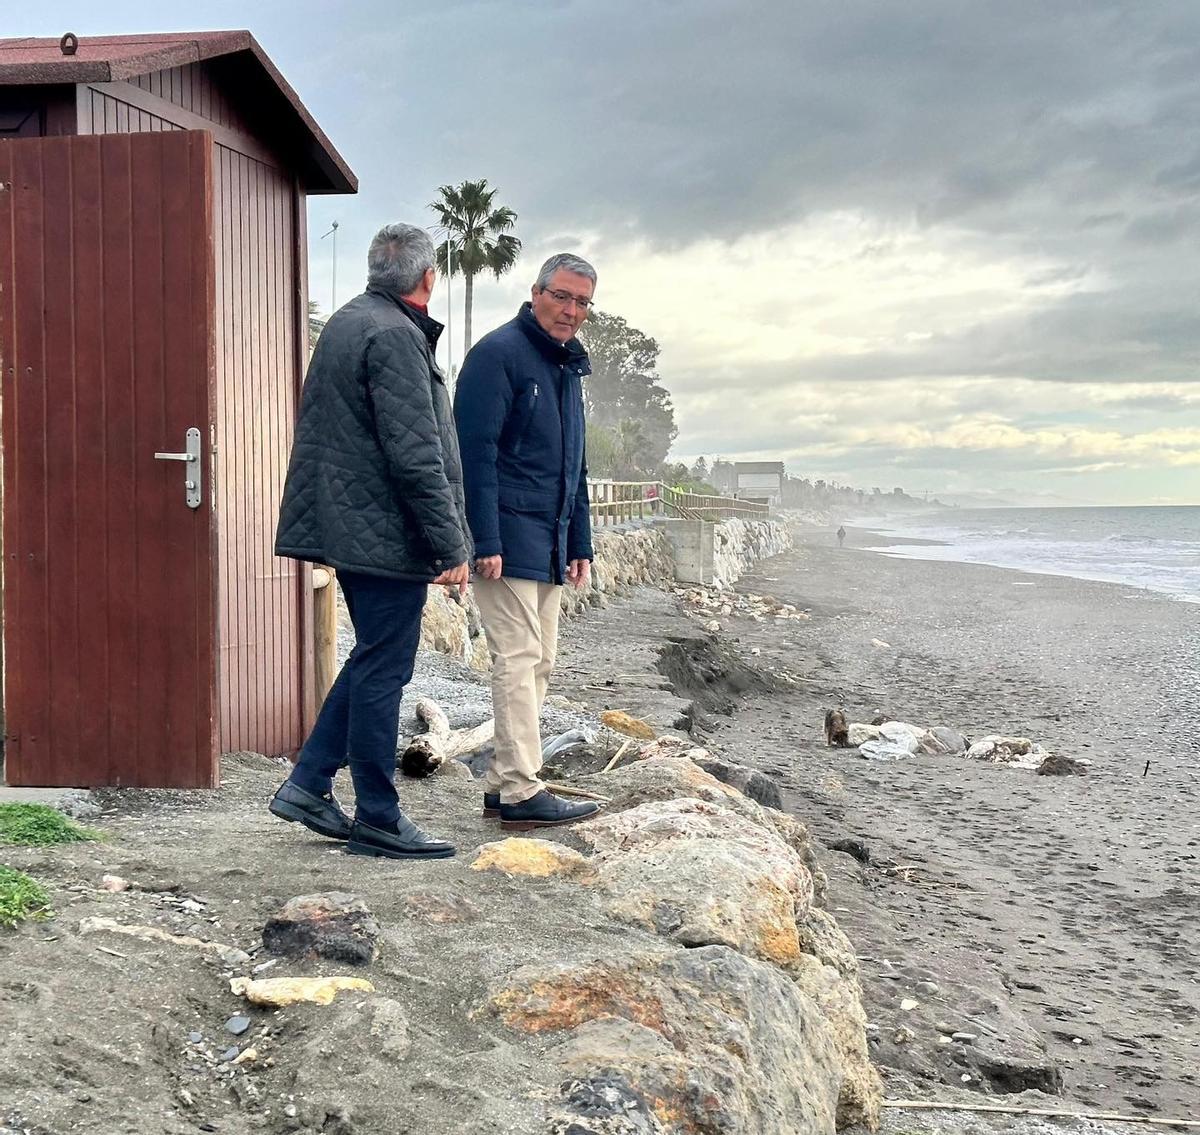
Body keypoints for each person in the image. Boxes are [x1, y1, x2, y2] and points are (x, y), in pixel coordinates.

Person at [269, 223, 470, 861]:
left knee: (373, 658)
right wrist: (451, 546)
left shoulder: (353, 322)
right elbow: (416, 456)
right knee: (385, 666)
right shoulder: (393, 334)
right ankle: (379, 815)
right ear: (428, 278)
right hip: (381, 531)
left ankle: (307, 784)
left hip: (356, 524)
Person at [454, 253, 602, 830]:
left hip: (551, 539)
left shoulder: (566, 369)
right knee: (516, 660)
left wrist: (580, 543)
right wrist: (483, 539)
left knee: (540, 663)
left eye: (582, 302)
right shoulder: (497, 356)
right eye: (562, 296)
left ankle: (502, 780)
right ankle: (520, 789)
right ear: (536, 292)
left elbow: (575, 468)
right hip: (507, 539)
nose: (571, 310)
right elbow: (475, 456)